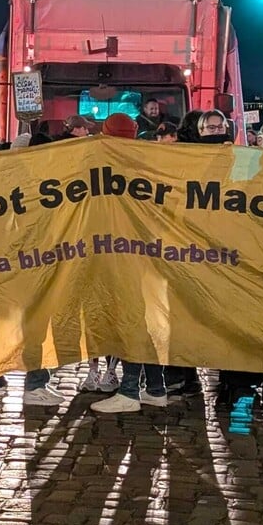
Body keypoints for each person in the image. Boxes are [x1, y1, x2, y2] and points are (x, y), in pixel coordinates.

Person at [91, 113, 167, 413]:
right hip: (151, 254)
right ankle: (156, 388)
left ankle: (129, 391)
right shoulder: (146, 162)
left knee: (131, 322)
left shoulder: (105, 163)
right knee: (146, 322)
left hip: (122, 256)